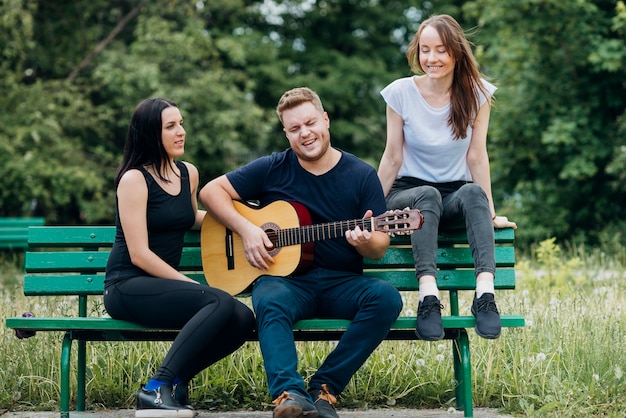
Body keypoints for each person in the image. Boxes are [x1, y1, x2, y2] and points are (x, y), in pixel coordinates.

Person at [199, 87, 403, 418]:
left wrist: (366, 242)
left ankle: (324, 390)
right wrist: (247, 229)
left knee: (386, 299)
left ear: (325, 120)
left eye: (310, 123)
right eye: (294, 129)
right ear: (286, 132)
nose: (305, 134)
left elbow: (380, 247)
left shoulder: (361, 175)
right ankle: (289, 394)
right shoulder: (272, 168)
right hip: (288, 283)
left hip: (342, 283)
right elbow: (211, 191)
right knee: (269, 297)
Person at [104, 97, 256, 417]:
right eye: (171, 126)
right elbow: (139, 254)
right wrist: (190, 284)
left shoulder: (187, 173)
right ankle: (154, 389)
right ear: (150, 134)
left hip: (160, 289)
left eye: (181, 123)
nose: (181, 131)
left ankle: (175, 381)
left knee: (243, 320)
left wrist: (246, 226)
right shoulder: (134, 179)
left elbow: (190, 218)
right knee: (219, 301)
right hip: (127, 285)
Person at [377, 14, 517, 342]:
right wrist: (370, 208)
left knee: (472, 193)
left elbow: (476, 156)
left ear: (455, 52)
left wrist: (491, 212)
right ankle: (428, 297)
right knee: (426, 194)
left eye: (440, 50)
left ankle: (485, 296)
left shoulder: (477, 94)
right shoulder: (400, 93)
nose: (432, 58)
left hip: (453, 195)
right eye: (425, 50)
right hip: (408, 194)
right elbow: (392, 156)